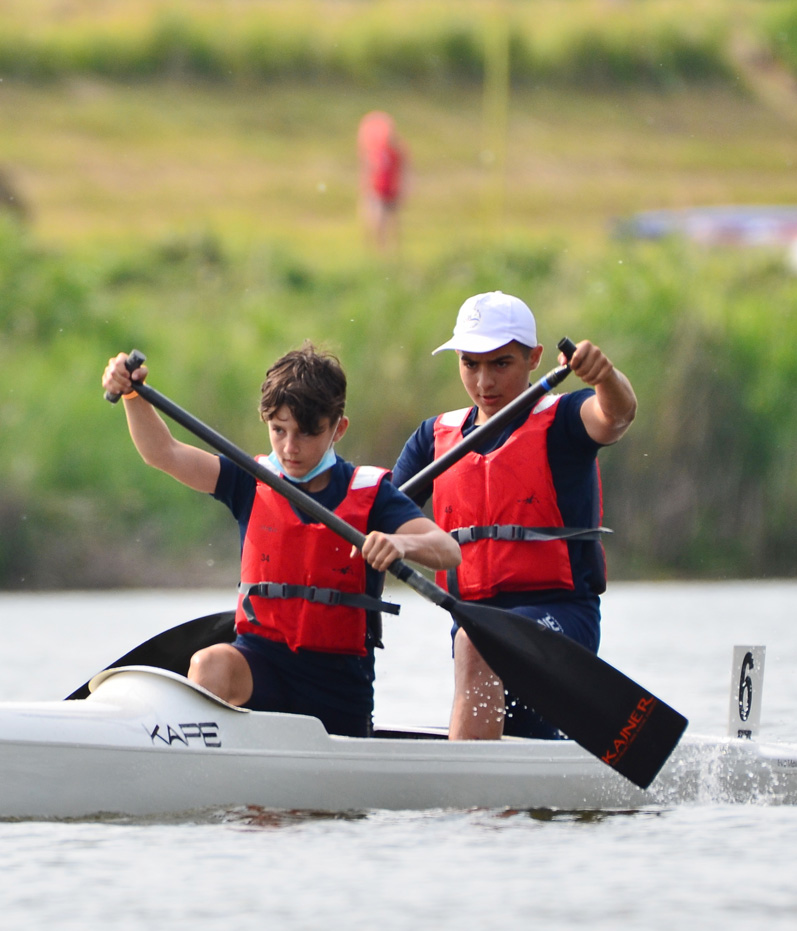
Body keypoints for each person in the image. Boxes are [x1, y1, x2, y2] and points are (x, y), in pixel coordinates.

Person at [102, 343, 460, 738]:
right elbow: (163, 452)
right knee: (210, 664)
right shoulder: (248, 482)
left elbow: (448, 551)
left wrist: (400, 544)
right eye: (279, 430)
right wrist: (132, 395)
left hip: (338, 685)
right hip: (261, 664)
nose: (290, 448)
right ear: (266, 422)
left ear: (338, 428)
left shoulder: (372, 494)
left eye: (308, 433)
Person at [390, 291, 637, 741]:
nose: (484, 381)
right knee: (483, 649)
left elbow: (616, 416)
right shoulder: (433, 437)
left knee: (478, 641)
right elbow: (380, 511)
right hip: (477, 626)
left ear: (535, 359)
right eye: (470, 363)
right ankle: (495, 794)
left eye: (500, 363)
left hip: (562, 620)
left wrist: (607, 379)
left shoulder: (565, 419)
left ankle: (467, 796)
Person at [358, 111, 404, 253]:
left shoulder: (397, 151)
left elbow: (402, 170)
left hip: (391, 190)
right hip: (377, 190)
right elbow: (368, 169)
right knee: (377, 222)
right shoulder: (377, 150)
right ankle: (376, 250)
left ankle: (390, 252)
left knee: (392, 223)